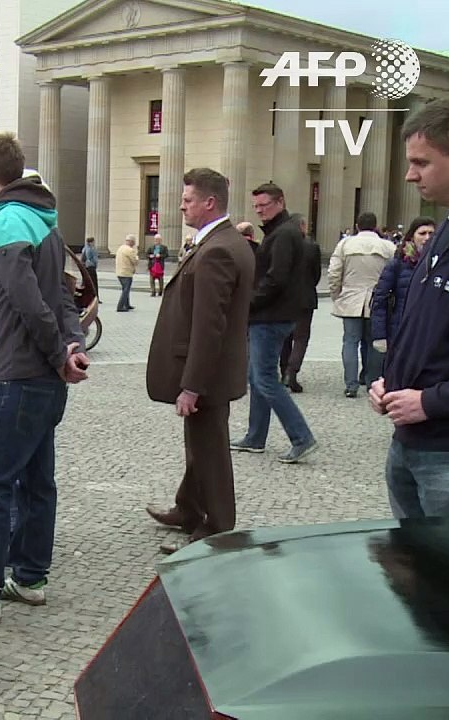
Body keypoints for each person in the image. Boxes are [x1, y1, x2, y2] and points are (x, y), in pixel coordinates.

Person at [0, 133, 89, 628]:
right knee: (36, 481)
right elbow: (63, 294)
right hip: (43, 379)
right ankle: (30, 578)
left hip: (16, 374)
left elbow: (28, 300)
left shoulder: (9, 220)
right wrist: (72, 346)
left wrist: (60, 352)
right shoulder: (44, 222)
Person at [370, 97, 449, 519]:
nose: (409, 175)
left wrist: (431, 402)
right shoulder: (445, 228)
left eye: (421, 162)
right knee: (414, 575)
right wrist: (389, 380)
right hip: (410, 444)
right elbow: (427, 328)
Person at [146, 168, 255, 553]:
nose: (181, 206)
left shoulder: (219, 249)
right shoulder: (222, 241)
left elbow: (210, 326)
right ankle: (188, 507)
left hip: (207, 374)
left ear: (210, 203)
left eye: (188, 200)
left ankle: (218, 526)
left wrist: (192, 385)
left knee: (209, 448)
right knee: (200, 443)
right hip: (214, 370)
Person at [232, 183, 317, 464]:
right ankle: (256, 437)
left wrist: (249, 303)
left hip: (270, 316)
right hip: (272, 315)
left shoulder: (283, 234)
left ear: (280, 202)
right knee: (258, 377)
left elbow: (276, 278)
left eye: (264, 205)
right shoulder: (282, 232)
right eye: (256, 206)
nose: (259, 211)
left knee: (266, 379)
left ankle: (301, 436)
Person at [328, 211, 395, 399]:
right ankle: (372, 381)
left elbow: (334, 272)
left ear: (357, 225)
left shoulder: (345, 244)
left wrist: (336, 294)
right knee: (374, 342)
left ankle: (351, 384)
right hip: (377, 299)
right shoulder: (387, 246)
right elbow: (393, 272)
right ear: (375, 226)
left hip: (351, 297)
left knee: (350, 341)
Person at [369, 216, 436, 381]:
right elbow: (380, 299)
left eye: (431, 233)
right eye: (422, 233)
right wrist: (380, 335)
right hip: (400, 333)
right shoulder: (397, 264)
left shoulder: (443, 262)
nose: (427, 238)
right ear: (412, 236)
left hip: (430, 334)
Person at [278, 213, 320, 394]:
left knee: (286, 337)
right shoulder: (312, 247)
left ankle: (283, 371)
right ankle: (292, 372)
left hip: (284, 298)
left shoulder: (282, 245)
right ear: (302, 226)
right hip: (305, 297)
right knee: (301, 338)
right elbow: (316, 273)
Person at [114, 235, 138, 311]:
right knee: (126, 290)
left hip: (119, 272)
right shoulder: (130, 250)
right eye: (134, 242)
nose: (134, 244)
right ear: (131, 242)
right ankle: (120, 306)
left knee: (125, 288)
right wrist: (137, 258)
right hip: (126, 272)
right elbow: (135, 261)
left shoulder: (120, 248)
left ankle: (127, 304)